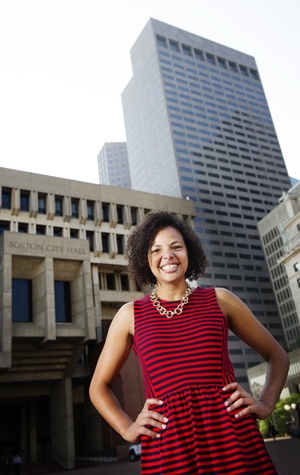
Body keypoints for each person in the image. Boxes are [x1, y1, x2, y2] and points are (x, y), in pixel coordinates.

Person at [90, 211, 289, 474]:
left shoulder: (220, 300)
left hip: (232, 438)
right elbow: (99, 386)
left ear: (188, 253)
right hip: (170, 448)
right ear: (145, 259)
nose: (168, 256)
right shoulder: (130, 315)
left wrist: (265, 404)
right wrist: (128, 428)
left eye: (176, 247)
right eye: (156, 250)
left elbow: (278, 355)